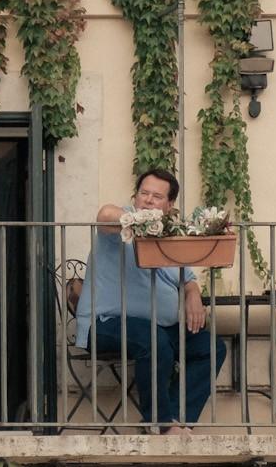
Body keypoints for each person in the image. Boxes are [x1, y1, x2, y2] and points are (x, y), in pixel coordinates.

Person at [75, 168, 227, 433]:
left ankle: (176, 418)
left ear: (169, 205)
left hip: (158, 328)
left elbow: (187, 278)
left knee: (211, 348)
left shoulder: (168, 237)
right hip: (105, 324)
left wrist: (193, 294)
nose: (147, 200)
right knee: (153, 340)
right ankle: (160, 425)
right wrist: (137, 220)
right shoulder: (122, 226)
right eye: (143, 193)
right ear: (135, 197)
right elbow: (104, 215)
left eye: (157, 197)